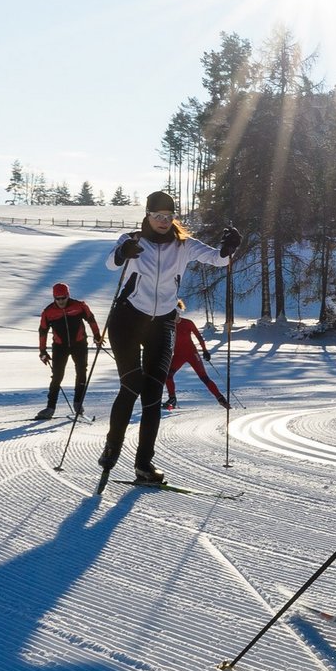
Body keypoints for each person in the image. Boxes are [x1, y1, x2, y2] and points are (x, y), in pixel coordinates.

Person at [98, 191, 240, 485]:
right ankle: (112, 447)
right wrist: (123, 253)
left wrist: (228, 249)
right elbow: (111, 263)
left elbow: (216, 259)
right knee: (131, 385)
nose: (164, 221)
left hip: (162, 323)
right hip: (127, 319)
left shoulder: (184, 245)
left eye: (169, 216)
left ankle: (144, 465)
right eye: (158, 216)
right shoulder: (132, 240)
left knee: (153, 394)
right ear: (148, 215)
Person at [35, 282, 101, 420]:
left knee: (82, 372)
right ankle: (50, 408)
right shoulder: (48, 312)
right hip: (60, 347)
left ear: (68, 295)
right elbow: (43, 332)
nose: (60, 301)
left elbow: (91, 319)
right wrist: (42, 351)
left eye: (63, 298)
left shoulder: (79, 306)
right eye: (57, 298)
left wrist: (97, 336)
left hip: (79, 344)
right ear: (54, 297)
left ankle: (78, 404)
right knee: (57, 376)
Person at [163, 300, 228, 410]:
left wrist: (205, 351)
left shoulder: (188, 323)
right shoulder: (168, 325)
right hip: (178, 355)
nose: (172, 316)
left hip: (192, 355)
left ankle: (220, 398)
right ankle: (172, 399)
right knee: (168, 376)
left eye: (174, 314)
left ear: (178, 312)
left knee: (204, 377)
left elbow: (199, 337)